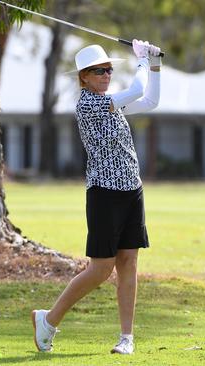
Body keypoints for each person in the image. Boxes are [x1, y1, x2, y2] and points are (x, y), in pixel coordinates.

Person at [32, 39, 161, 355]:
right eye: (98, 71)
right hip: (105, 193)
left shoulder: (111, 101)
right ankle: (49, 320)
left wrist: (155, 64)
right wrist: (142, 60)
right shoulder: (88, 104)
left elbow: (150, 100)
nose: (105, 75)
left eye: (108, 70)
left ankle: (126, 338)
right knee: (101, 268)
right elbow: (134, 92)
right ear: (84, 78)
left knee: (129, 262)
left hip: (132, 190)